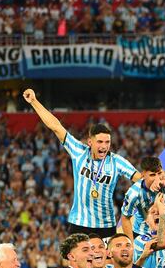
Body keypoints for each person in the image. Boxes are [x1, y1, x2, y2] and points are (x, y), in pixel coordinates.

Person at [22, 89, 141, 238]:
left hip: (106, 225)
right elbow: (55, 126)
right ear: (90, 142)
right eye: (100, 142)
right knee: (76, 261)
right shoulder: (79, 151)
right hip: (79, 222)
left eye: (107, 142)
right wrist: (34, 101)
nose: (104, 146)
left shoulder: (117, 161)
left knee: (105, 262)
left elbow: (140, 178)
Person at [121, 156, 165, 239]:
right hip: (144, 235)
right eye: (152, 175)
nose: (157, 179)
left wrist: (164, 182)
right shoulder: (134, 193)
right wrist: (131, 244)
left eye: (160, 173)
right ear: (143, 175)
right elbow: (125, 218)